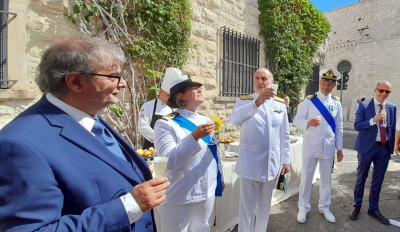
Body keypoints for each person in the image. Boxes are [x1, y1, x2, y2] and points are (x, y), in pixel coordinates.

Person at [0, 37, 170, 231]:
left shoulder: (89, 118)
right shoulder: (20, 145)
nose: (123, 84)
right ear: (76, 81)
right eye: (113, 76)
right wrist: (129, 206)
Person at [154, 69, 225, 232]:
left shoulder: (205, 119)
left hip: (207, 190)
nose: (200, 89)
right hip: (180, 194)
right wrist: (194, 137)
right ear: (181, 96)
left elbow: (214, 152)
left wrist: (219, 176)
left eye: (199, 86)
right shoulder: (166, 124)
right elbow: (168, 161)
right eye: (193, 88)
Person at [229, 68, 290, 232]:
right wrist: (257, 102)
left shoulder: (279, 104)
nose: (260, 82)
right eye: (257, 78)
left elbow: (284, 134)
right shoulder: (244, 100)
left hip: (271, 164)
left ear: (271, 82)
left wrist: (286, 160)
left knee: (264, 206)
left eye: (264, 78)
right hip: (250, 164)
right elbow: (234, 119)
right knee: (247, 209)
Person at [293, 69, 344, 224]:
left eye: (330, 84)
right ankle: (303, 208)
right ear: (320, 82)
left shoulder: (336, 102)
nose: (326, 86)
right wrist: (308, 122)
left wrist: (339, 148)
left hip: (328, 147)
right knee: (306, 179)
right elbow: (296, 120)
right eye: (324, 82)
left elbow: (339, 126)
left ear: (334, 85)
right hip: (310, 146)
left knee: (326, 180)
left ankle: (325, 207)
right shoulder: (310, 100)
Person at [350, 81, 396, 225]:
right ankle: (356, 206)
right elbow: (357, 125)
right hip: (366, 148)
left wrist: (393, 147)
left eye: (387, 92)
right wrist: (372, 120)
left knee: (378, 180)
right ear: (375, 90)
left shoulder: (392, 107)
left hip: (383, 148)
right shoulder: (364, 105)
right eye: (381, 90)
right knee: (361, 178)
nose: (383, 94)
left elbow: (392, 128)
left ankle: (373, 209)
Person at [138, 68, 175, 149]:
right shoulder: (148, 106)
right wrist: (159, 138)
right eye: (168, 95)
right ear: (160, 92)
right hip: (151, 148)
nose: (170, 99)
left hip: (170, 147)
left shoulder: (175, 109)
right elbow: (142, 126)